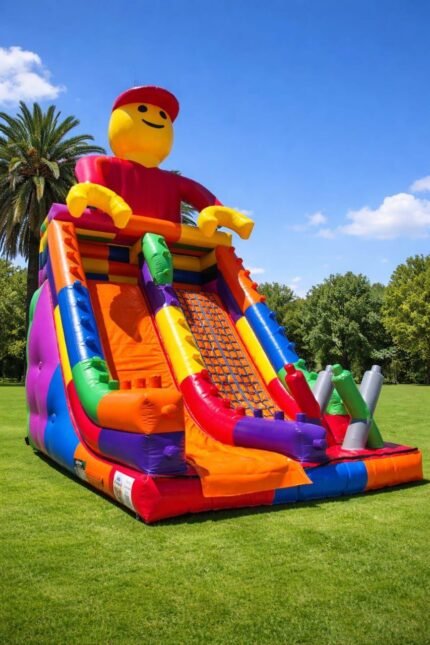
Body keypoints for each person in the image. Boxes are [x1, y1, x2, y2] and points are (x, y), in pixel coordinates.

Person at [67, 86, 253, 239]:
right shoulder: (107, 164)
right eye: (142, 109)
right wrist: (98, 193)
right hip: (113, 236)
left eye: (163, 115)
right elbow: (87, 167)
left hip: (168, 241)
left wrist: (217, 211)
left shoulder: (172, 181)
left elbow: (201, 195)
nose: (156, 118)